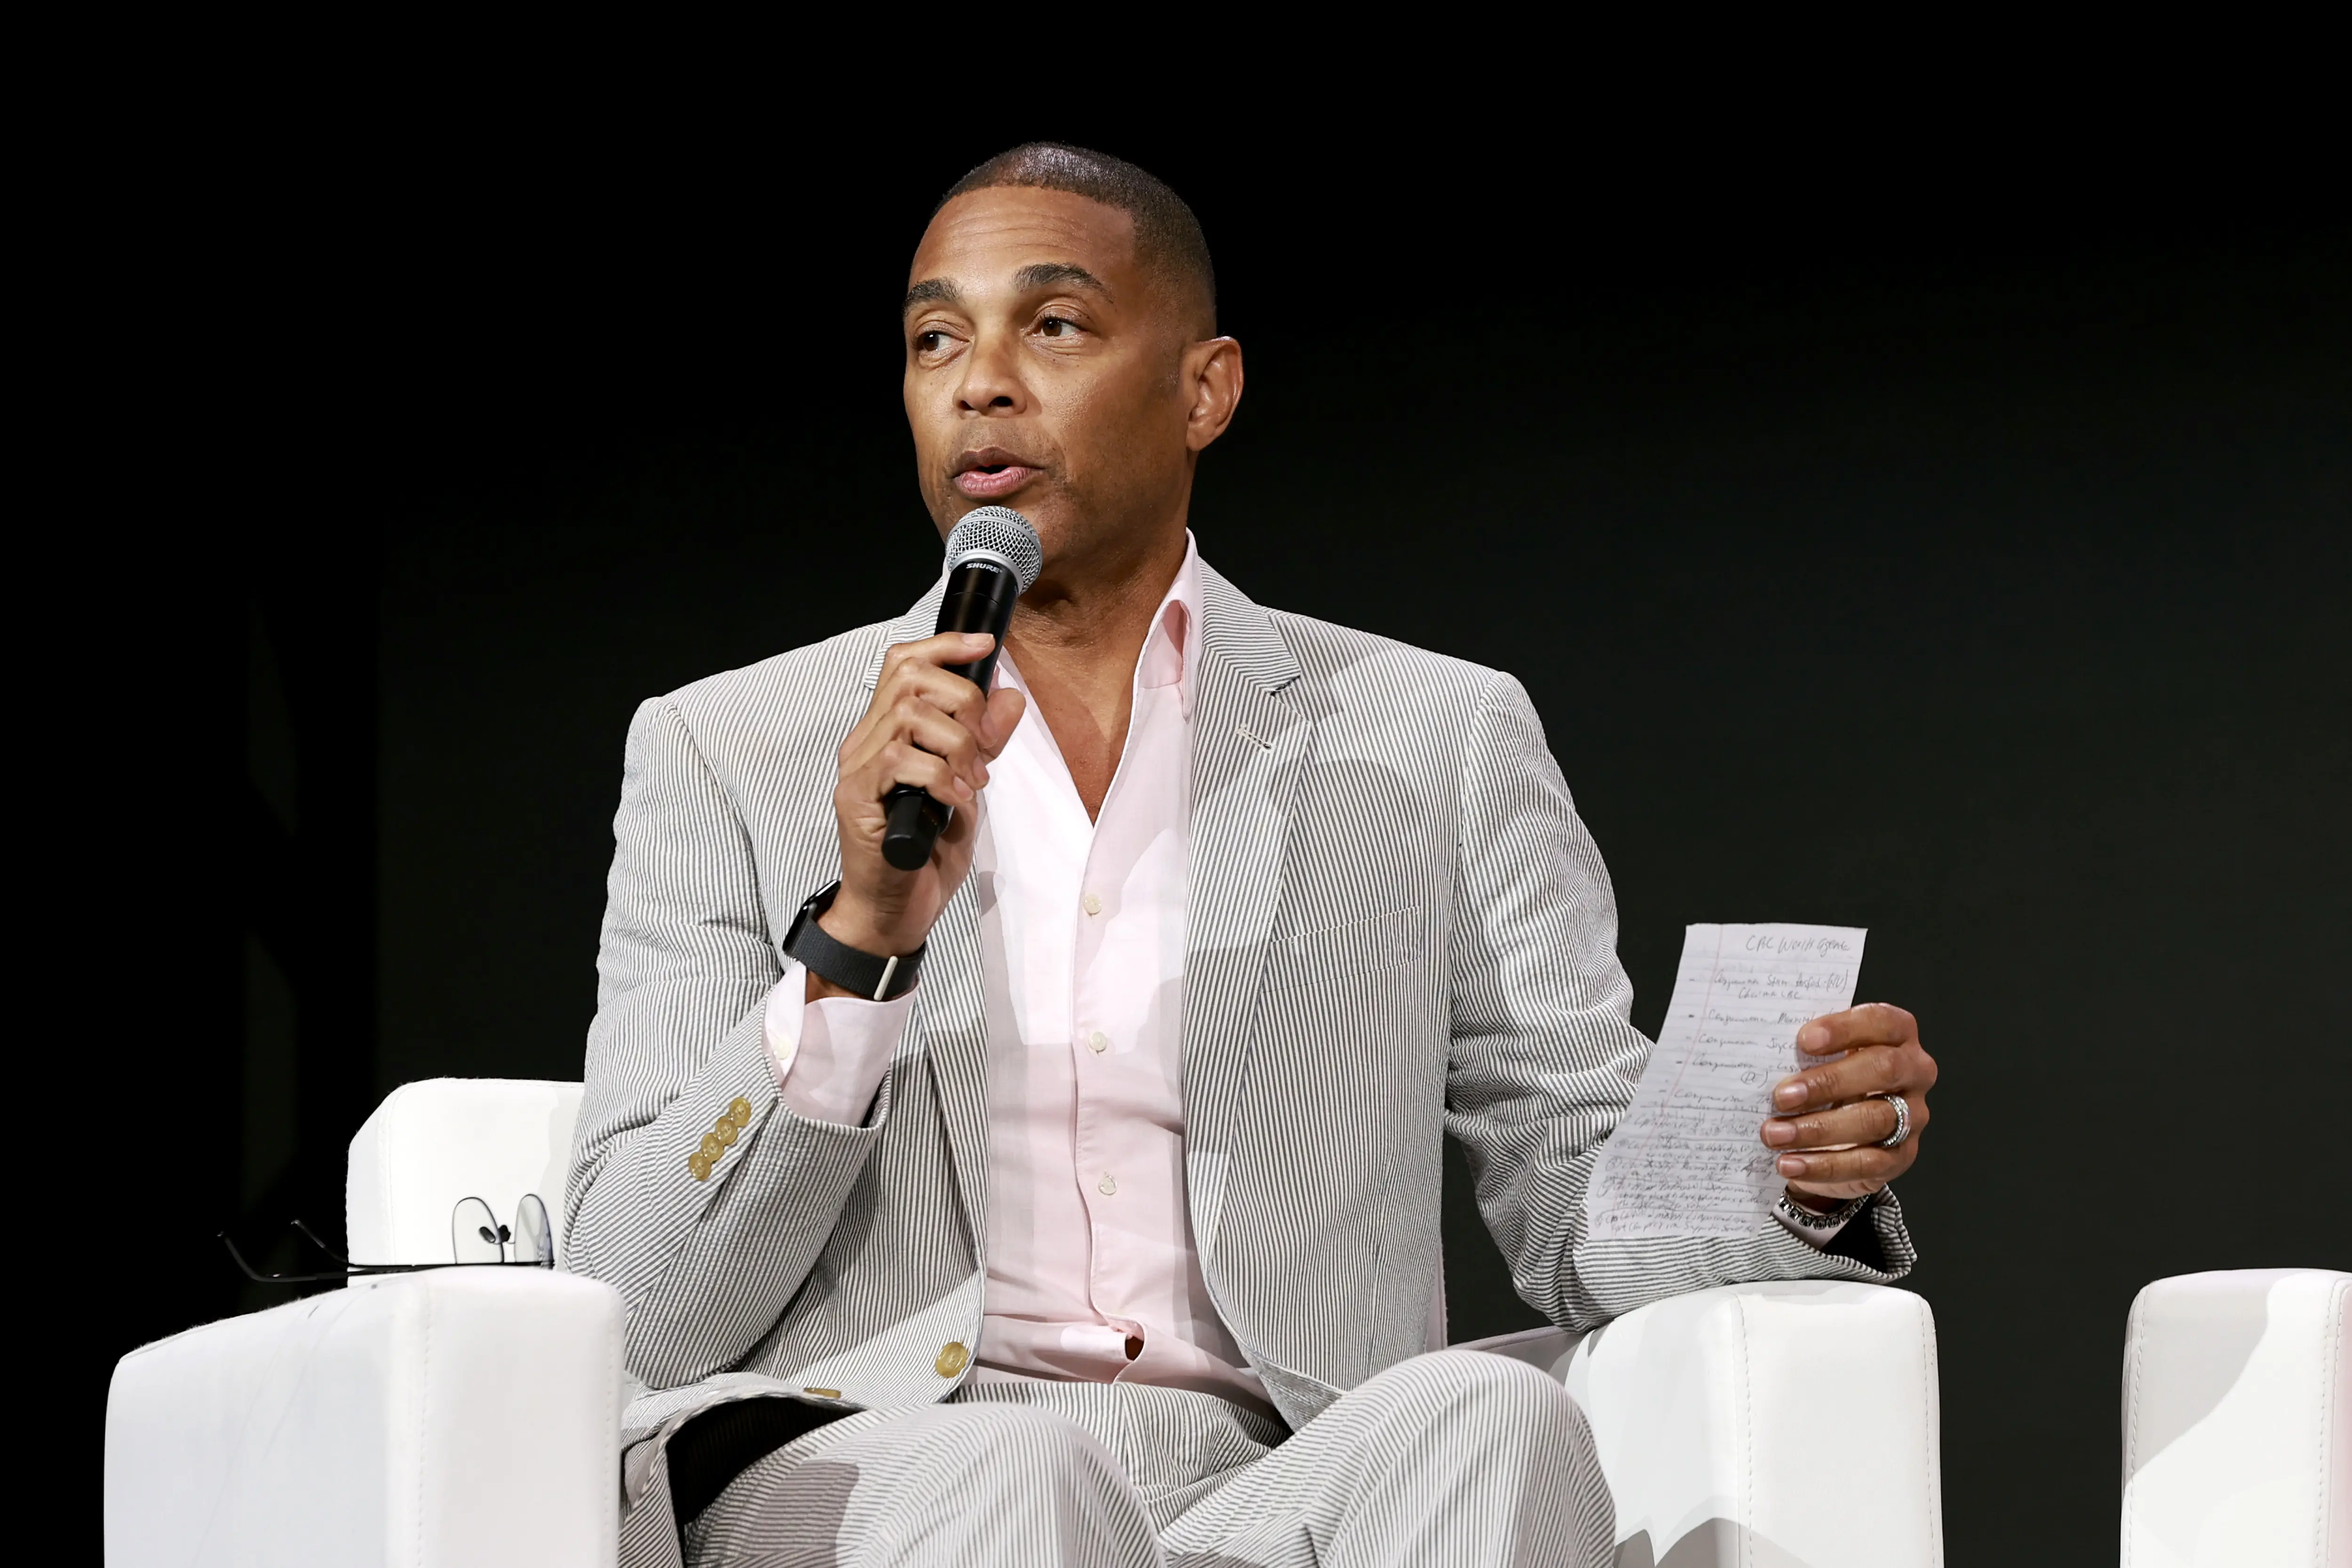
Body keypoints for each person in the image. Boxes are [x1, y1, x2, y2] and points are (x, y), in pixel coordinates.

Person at [566, 143, 1939, 1568]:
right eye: (935, 340)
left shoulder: (1432, 736)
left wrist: (1798, 1175)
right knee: (1023, 1475)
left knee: (1486, 1414)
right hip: (883, 1463)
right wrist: (859, 934)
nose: (981, 383)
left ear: (1204, 389)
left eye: (1054, 324)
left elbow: (1572, 1189)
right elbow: (631, 1301)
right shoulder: (731, 748)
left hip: (1258, 1481)